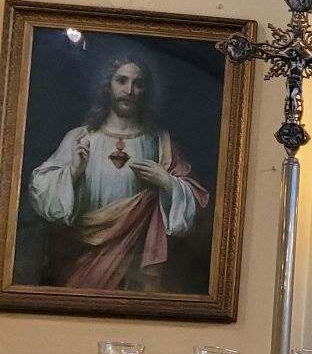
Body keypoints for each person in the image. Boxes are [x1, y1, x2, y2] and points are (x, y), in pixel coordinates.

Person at [28, 57, 207, 291]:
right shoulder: (80, 138)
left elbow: (196, 202)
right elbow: (42, 194)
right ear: (108, 85)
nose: (129, 90)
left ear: (145, 91)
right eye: (121, 81)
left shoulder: (160, 142)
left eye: (138, 83)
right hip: (81, 257)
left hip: (135, 261)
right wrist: (72, 172)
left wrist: (168, 183)